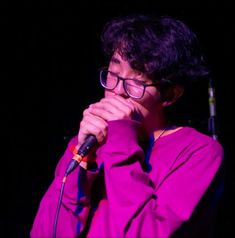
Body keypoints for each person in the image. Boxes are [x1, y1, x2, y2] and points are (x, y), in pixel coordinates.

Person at [30, 14, 224, 238]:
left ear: (171, 94)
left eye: (138, 82)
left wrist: (122, 138)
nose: (118, 90)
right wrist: (82, 161)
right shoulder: (88, 143)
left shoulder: (198, 152)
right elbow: (46, 232)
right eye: (113, 74)